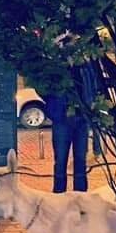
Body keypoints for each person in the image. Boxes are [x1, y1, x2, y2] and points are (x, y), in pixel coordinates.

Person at [42, 60, 100, 194]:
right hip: (62, 119)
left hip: (81, 119)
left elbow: (93, 85)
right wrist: (53, 110)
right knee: (61, 161)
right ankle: (59, 197)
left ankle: (80, 198)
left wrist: (90, 107)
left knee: (80, 161)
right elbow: (44, 89)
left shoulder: (85, 65)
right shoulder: (56, 66)